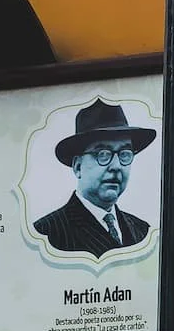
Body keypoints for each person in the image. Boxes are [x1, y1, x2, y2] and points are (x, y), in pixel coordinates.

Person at [32, 98, 156, 258]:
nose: (116, 166)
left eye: (125, 154)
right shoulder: (46, 233)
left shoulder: (142, 231)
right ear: (77, 167)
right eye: (103, 154)